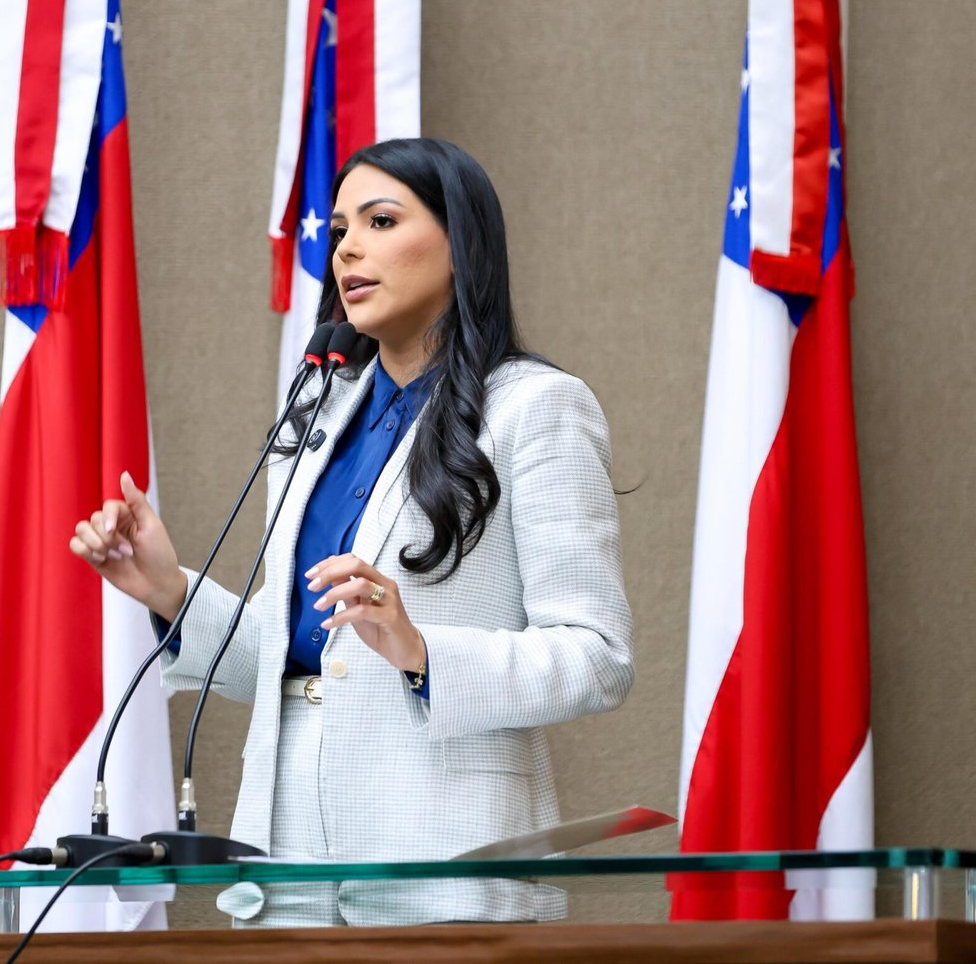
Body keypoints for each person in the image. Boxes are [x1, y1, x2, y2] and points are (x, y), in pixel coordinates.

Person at [69, 137, 634, 927]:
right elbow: (294, 656)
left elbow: (597, 656)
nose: (347, 249)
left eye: (381, 220)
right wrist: (167, 588)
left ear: (460, 244)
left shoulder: (535, 408)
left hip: (447, 854)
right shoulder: (318, 413)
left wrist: (421, 650)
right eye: (338, 230)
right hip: (288, 862)